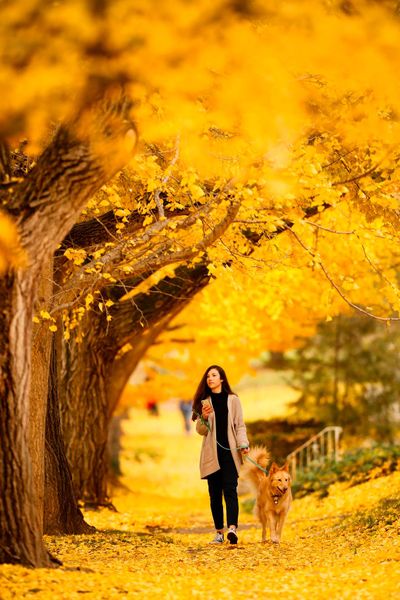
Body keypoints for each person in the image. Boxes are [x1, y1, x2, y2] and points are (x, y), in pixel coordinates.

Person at [192, 365, 250, 545]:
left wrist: (243, 444)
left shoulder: (233, 400)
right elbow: (201, 431)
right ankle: (219, 532)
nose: (210, 378)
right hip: (212, 454)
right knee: (214, 495)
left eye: (214, 375)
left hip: (230, 454)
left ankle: (232, 528)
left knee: (230, 491)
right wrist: (204, 416)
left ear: (222, 379)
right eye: (208, 376)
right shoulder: (205, 402)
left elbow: (240, 425)